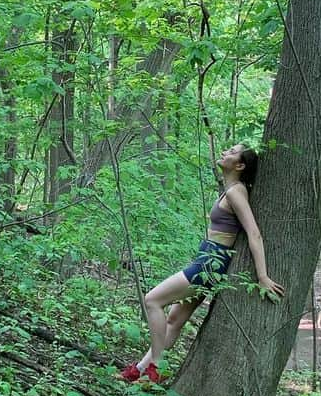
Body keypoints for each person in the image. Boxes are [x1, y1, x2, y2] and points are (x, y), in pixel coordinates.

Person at [119, 144, 284, 383]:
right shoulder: (230, 189)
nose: (226, 152)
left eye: (232, 152)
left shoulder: (236, 192)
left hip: (210, 263)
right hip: (208, 259)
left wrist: (262, 277)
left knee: (152, 300)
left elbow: (254, 233)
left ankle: (155, 367)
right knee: (174, 321)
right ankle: (141, 370)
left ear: (239, 165)